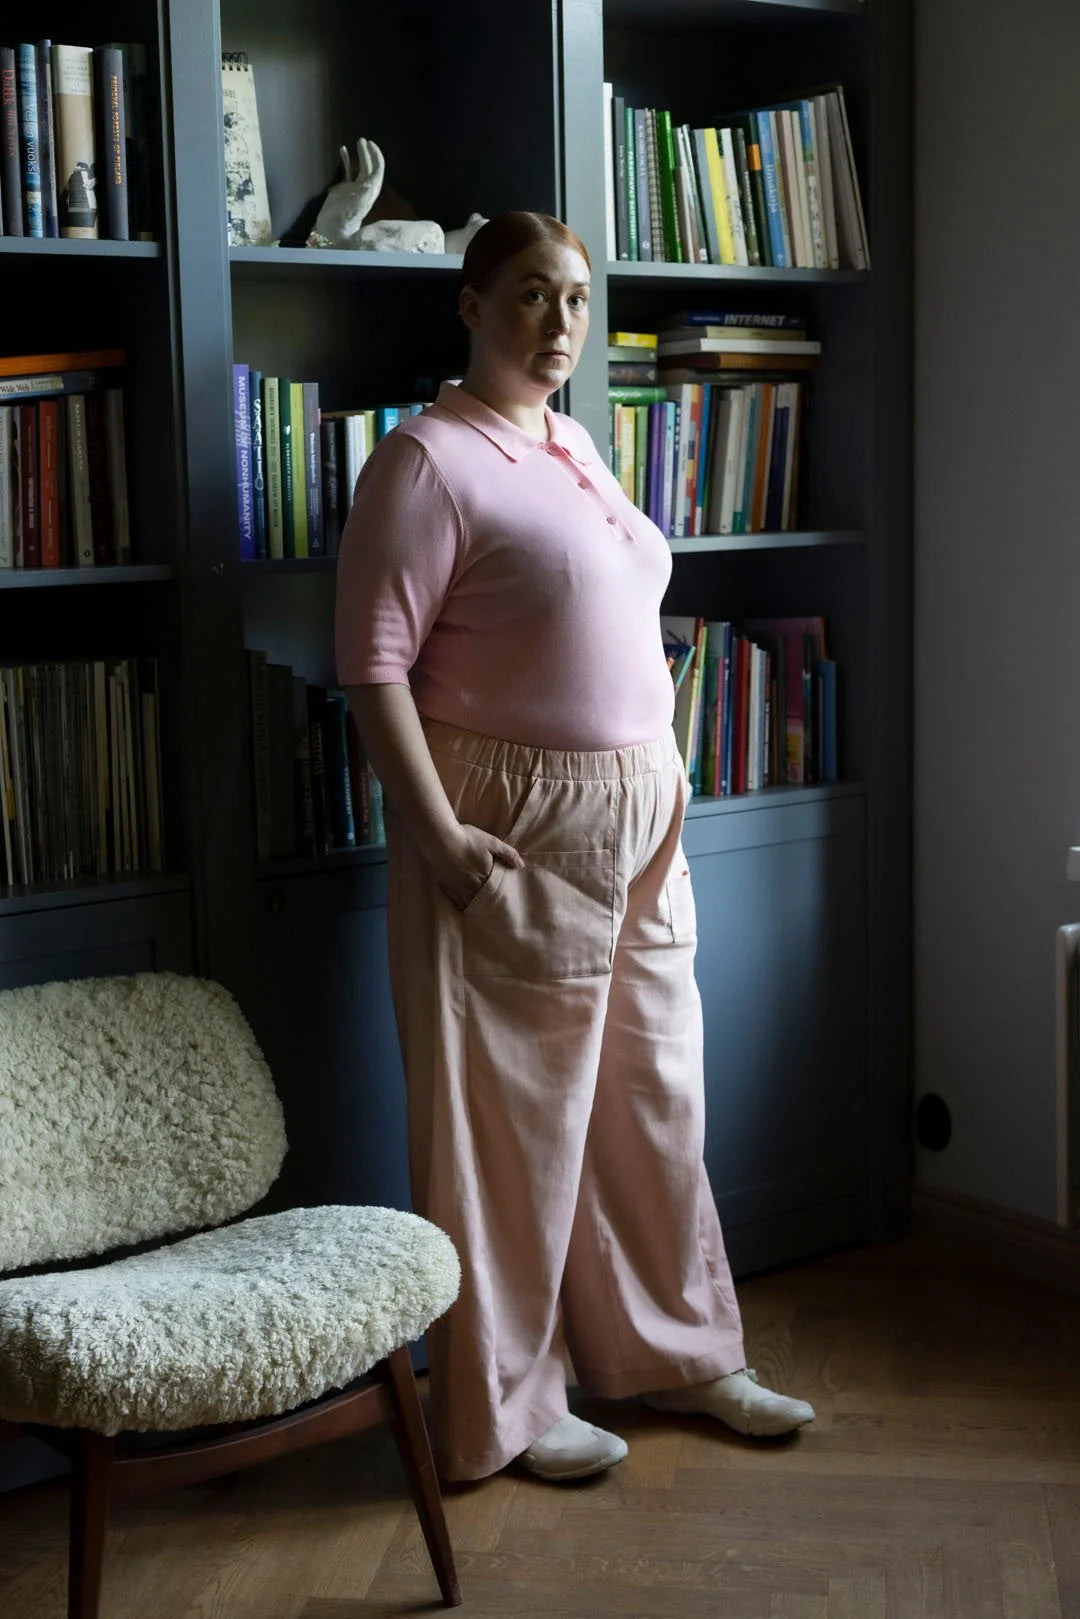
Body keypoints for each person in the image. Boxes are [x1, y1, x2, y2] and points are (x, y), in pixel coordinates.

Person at [334, 211, 815, 1485]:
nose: (561, 323)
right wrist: (443, 841)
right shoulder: (426, 461)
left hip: (639, 814)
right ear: (473, 306)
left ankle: (678, 1351)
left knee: (654, 1094)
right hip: (507, 818)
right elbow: (373, 667)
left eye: (579, 300)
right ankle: (506, 1404)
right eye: (533, 295)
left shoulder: (577, 445)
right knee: (505, 1128)